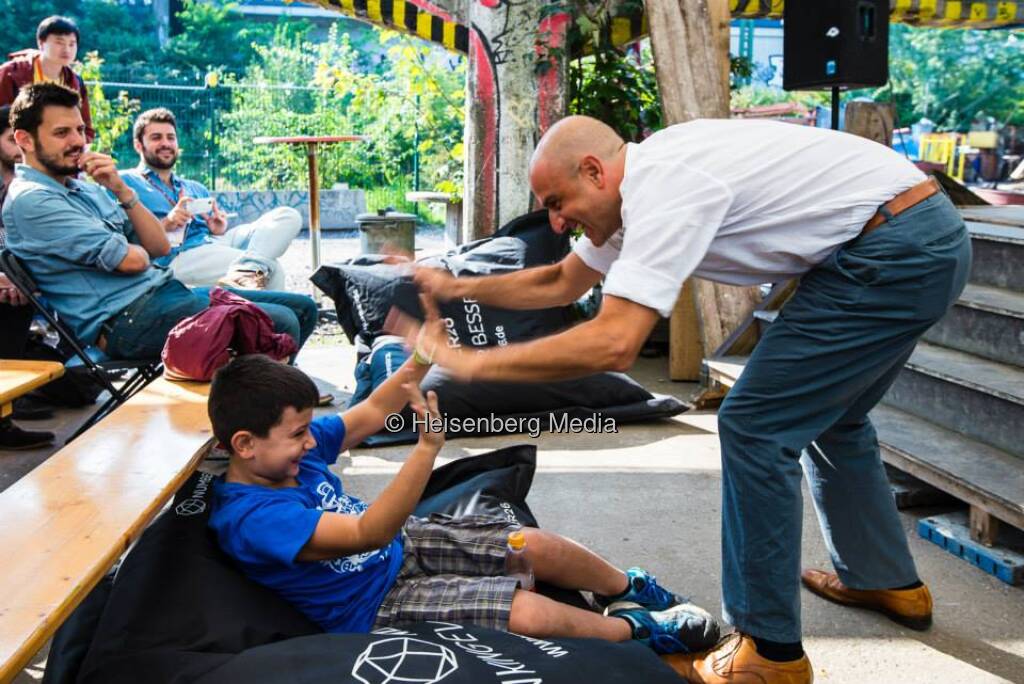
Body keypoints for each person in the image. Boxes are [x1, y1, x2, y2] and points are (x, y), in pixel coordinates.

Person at [410, 115, 972, 683]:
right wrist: (457, 285)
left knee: (756, 426)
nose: (555, 221)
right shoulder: (632, 192)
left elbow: (615, 341)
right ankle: (886, 581)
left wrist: (473, 363)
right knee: (836, 420)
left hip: (891, 251)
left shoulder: (664, 190)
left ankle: (768, 655)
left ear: (595, 171)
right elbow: (561, 282)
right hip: (911, 236)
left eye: (558, 202)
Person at [207, 353, 719, 654]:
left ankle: (629, 588)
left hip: (403, 546)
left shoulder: (292, 452)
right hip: (372, 604)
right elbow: (368, 535)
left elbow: (372, 410)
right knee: (524, 614)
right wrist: (427, 449)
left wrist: (424, 355)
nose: (309, 442)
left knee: (528, 545)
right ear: (246, 444)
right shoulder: (252, 518)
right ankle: (634, 631)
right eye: (297, 434)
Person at [2, 83, 317, 363]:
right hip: (127, 321)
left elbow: (158, 245)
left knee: (303, 308)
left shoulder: (84, 188)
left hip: (163, 294)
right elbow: (132, 260)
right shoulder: (33, 200)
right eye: (61, 133)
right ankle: (259, 414)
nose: (78, 142)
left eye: (80, 130)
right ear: (24, 140)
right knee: (281, 321)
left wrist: (121, 190)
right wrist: (133, 250)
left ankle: (265, 403)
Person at [120, 108, 301, 290]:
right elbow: (122, 239)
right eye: (156, 138)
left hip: (211, 242)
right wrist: (168, 221)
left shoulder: (195, 187)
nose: (165, 143)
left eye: (171, 137)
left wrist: (217, 229)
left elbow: (214, 234)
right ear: (138, 145)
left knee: (287, 216)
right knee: (272, 269)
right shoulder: (126, 183)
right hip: (177, 254)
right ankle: (251, 272)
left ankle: (248, 268)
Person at [0, 103, 56, 450]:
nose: (19, 148)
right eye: (10, 140)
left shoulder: (29, 185)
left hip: (21, 280)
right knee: (11, 303)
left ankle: (11, 400)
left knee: (20, 298)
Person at [0, 16, 92, 142]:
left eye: (72, 44)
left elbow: (86, 128)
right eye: (59, 42)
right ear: (41, 43)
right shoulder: (13, 73)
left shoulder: (75, 81)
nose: (66, 49)